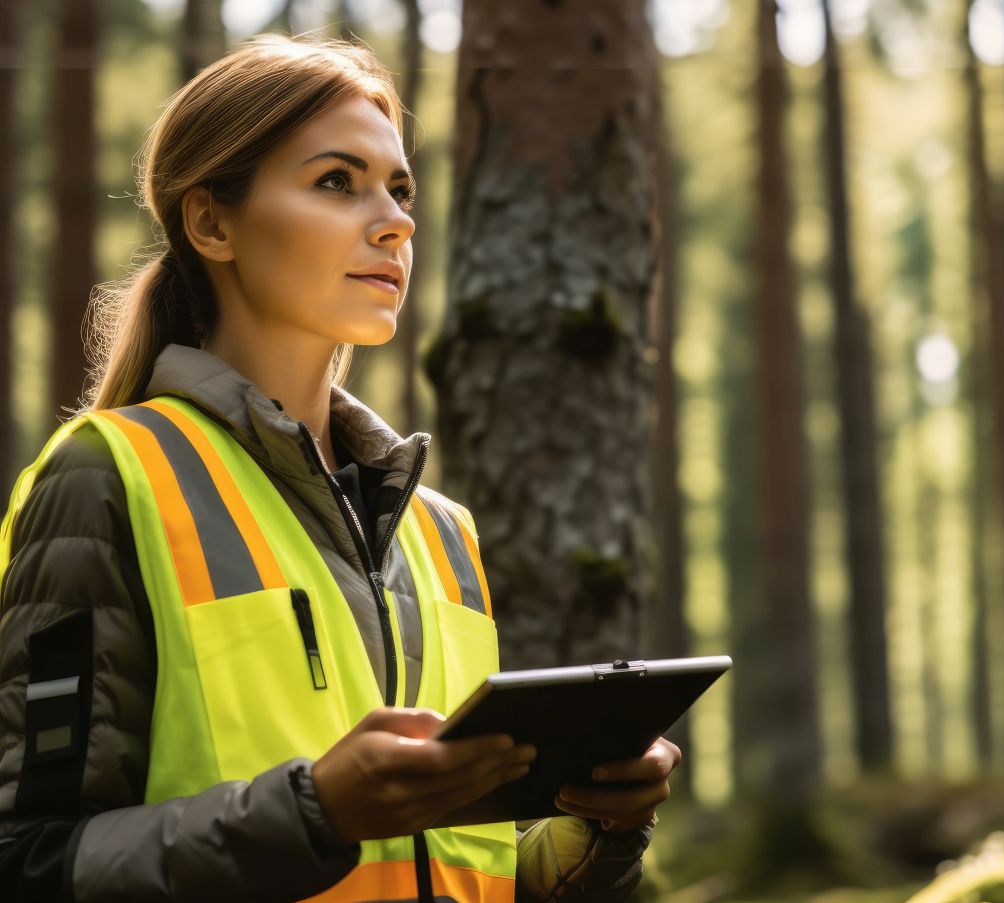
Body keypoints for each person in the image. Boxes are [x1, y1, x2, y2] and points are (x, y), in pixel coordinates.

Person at [0, 33, 679, 902]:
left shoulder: (444, 534)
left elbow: (473, 868)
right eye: (336, 182)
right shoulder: (110, 475)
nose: (395, 219)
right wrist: (314, 811)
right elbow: (32, 860)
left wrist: (600, 827)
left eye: (400, 188)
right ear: (212, 221)